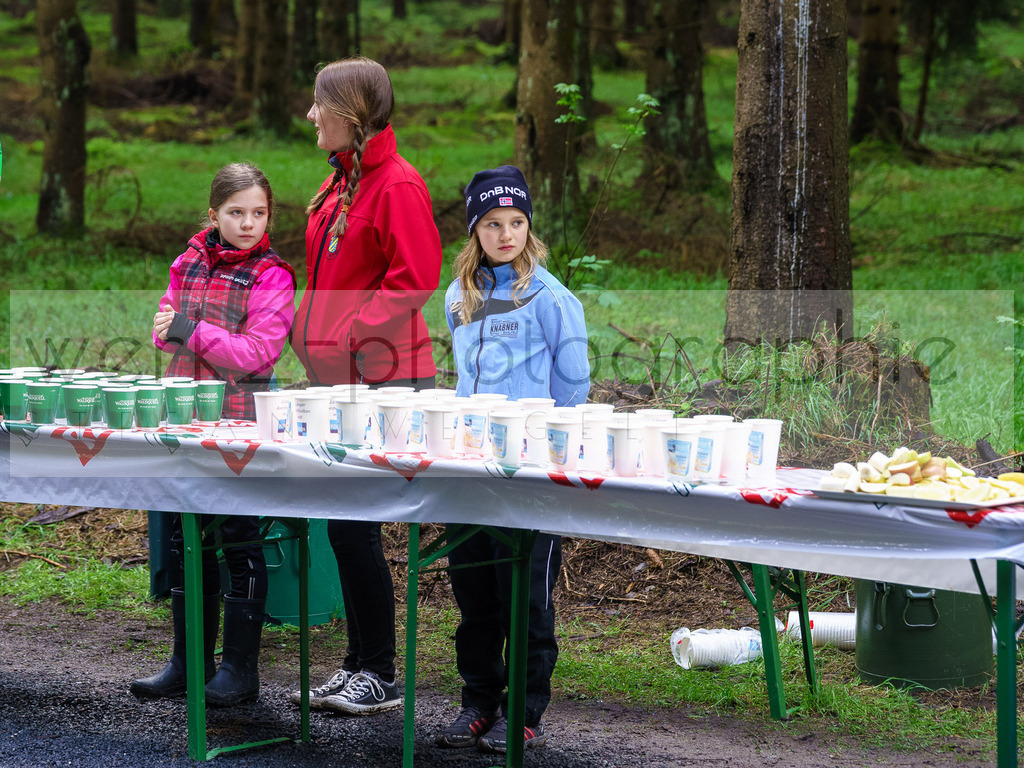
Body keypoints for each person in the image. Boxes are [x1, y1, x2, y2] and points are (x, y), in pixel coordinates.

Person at [287, 56, 442, 715]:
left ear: (350, 113)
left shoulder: (397, 185)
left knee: (356, 527)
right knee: (341, 526)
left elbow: (416, 277)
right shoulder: (339, 183)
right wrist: (307, 330)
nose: (311, 115)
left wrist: (352, 330)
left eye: (321, 105)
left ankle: (378, 672)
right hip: (335, 380)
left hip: (387, 379)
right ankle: (356, 663)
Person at [437, 165, 590, 754]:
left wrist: (542, 443)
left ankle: (523, 712)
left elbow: (574, 386)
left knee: (524, 595)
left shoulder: (551, 298)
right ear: (475, 229)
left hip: (528, 471)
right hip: (470, 466)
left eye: (517, 222)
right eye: (494, 223)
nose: (507, 234)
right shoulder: (458, 296)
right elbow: (466, 379)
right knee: (473, 590)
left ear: (529, 227)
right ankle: (479, 699)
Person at [131, 163, 296, 707]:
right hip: (185, 416)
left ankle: (239, 670)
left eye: (259, 213)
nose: (249, 223)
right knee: (183, 536)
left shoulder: (273, 275)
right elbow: (164, 329)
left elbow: (256, 354)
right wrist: (171, 327)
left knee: (238, 536)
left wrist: (186, 330)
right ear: (213, 215)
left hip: (239, 422)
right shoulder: (189, 261)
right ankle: (187, 661)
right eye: (236, 213)